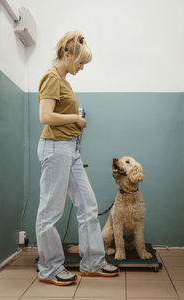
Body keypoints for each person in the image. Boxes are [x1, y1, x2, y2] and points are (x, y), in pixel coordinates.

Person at [36, 30, 119, 286]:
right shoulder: (51, 77)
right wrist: (75, 118)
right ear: (67, 54)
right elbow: (45, 117)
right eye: (80, 62)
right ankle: (49, 269)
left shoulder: (64, 80)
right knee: (50, 211)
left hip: (70, 149)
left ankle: (92, 263)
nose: (82, 67)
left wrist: (75, 124)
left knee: (89, 206)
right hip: (56, 148)